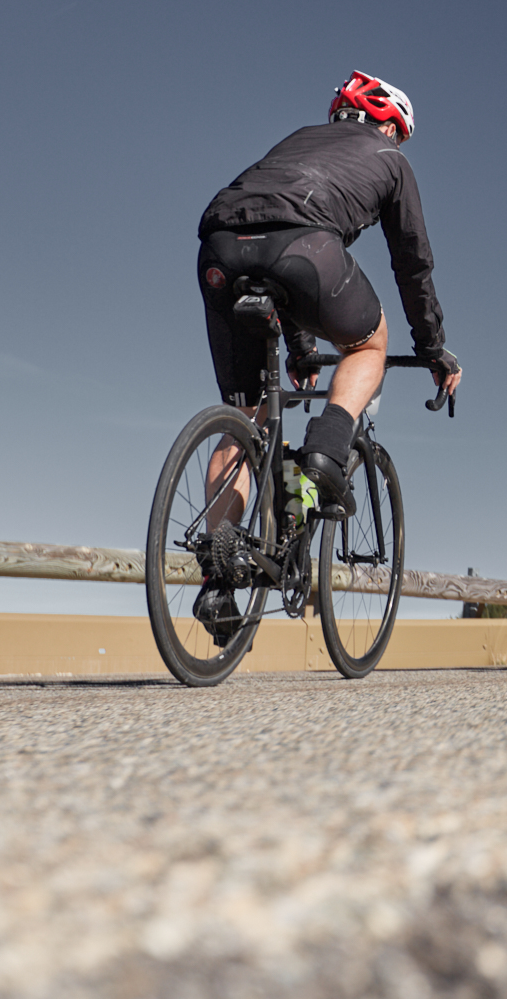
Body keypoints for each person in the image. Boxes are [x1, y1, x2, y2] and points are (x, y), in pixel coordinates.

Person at [192, 71, 463, 639]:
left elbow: (267, 231)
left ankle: (219, 578)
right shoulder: (391, 161)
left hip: (218, 246)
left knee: (245, 416)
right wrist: (433, 348)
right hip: (306, 246)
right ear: (391, 124)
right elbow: (412, 263)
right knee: (369, 343)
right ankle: (323, 456)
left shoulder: (298, 138)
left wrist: (298, 349)